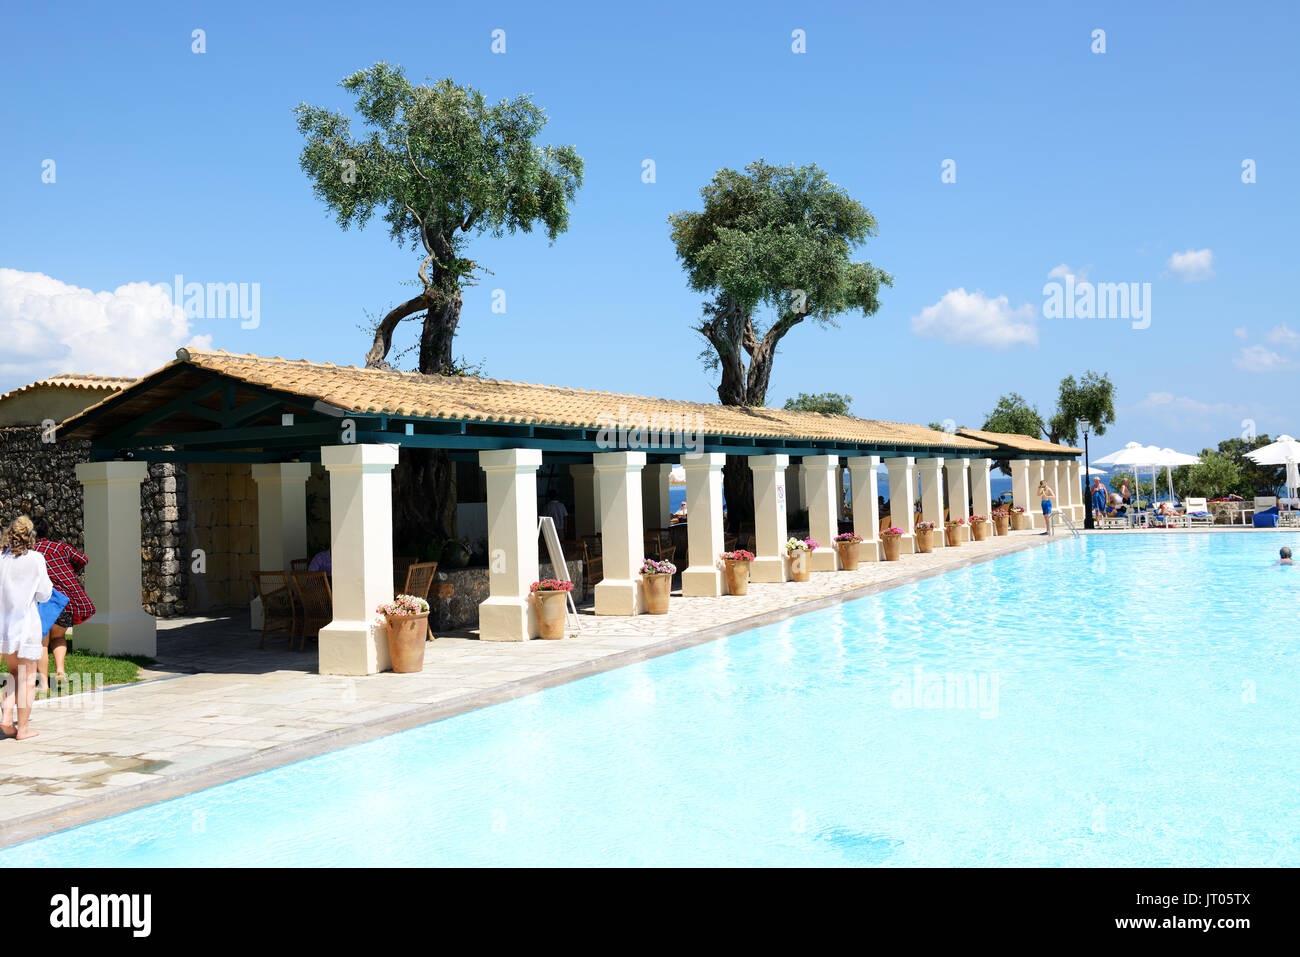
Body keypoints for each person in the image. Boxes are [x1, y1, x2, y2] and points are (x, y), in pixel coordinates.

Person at [0, 516, 54, 741]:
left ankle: (5, 716)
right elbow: (44, 593)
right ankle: (22, 728)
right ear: (31, 537)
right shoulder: (36, 559)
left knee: (12, 674)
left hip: (5, 625)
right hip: (27, 624)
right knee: (28, 679)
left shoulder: (2, 559)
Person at [32, 518, 95, 691]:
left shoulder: (31, 552)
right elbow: (83, 559)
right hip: (66, 601)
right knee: (59, 636)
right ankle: (60, 670)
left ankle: (44, 683)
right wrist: (68, 571)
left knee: (41, 642)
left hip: (44, 601)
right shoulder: (61, 547)